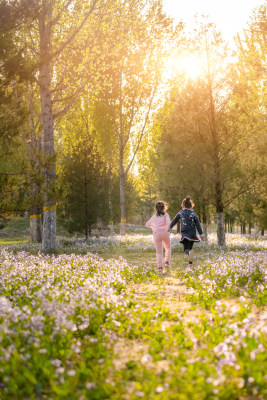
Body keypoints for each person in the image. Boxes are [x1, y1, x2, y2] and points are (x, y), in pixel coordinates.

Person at [169, 196, 204, 269]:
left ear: (183, 205)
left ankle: (189, 256)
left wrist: (169, 227)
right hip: (192, 234)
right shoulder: (193, 213)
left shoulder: (181, 212)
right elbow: (198, 224)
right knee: (190, 249)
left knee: (186, 250)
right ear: (191, 205)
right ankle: (190, 265)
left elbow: (175, 220)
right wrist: (201, 234)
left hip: (185, 233)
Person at [146, 201, 171, 274]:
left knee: (159, 251)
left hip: (156, 234)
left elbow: (147, 225)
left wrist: (153, 227)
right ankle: (167, 262)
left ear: (155, 208)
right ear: (164, 208)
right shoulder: (166, 215)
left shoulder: (153, 216)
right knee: (168, 247)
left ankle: (160, 267)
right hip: (165, 232)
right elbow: (169, 223)